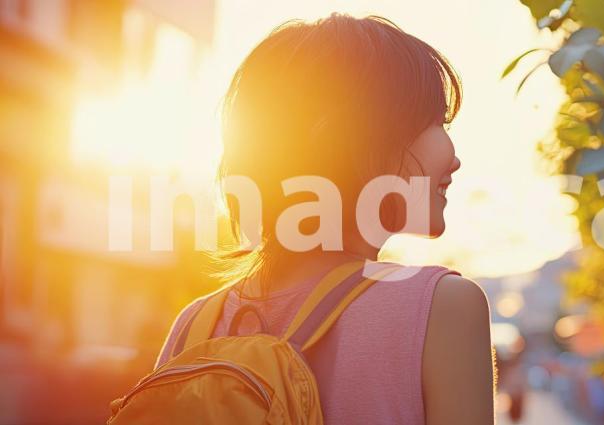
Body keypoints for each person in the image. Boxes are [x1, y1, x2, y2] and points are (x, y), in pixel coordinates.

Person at [154, 14, 494, 425]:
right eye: (435, 122)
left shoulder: (196, 326)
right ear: (360, 138)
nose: (454, 157)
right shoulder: (445, 309)